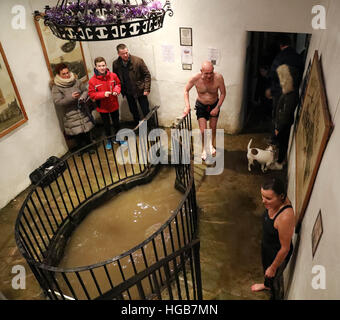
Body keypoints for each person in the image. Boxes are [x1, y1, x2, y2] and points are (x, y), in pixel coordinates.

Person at [251, 177, 295, 300]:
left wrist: (273, 267)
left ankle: (275, 295)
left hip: (277, 254)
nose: (263, 201)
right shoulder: (274, 202)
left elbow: (285, 248)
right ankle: (266, 285)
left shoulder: (285, 217)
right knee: (266, 271)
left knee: (274, 280)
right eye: (262, 196)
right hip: (267, 246)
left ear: (281, 197)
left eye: (268, 198)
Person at [183, 61, 226, 161]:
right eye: (206, 73)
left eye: (211, 72)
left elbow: (223, 93)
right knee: (203, 131)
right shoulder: (195, 78)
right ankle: (204, 149)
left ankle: (211, 145)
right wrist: (187, 106)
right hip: (201, 105)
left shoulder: (218, 78)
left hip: (214, 104)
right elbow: (186, 90)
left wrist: (217, 108)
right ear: (201, 71)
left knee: (213, 127)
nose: (209, 75)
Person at [51, 63, 95, 154]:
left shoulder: (76, 81)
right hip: (70, 113)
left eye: (67, 72)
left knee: (86, 130)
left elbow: (85, 90)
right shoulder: (57, 87)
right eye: (64, 74)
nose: (67, 75)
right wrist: (71, 97)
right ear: (59, 75)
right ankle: (81, 149)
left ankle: (89, 147)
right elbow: (58, 101)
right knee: (77, 133)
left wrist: (82, 97)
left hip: (82, 109)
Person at [112, 44, 151, 127]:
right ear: (118, 54)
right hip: (128, 91)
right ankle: (138, 127)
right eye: (123, 54)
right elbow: (116, 78)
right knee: (133, 111)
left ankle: (150, 127)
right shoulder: (116, 64)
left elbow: (147, 75)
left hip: (140, 90)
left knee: (146, 110)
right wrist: (120, 90)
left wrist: (146, 89)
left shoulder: (138, 61)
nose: (126, 55)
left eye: (126, 52)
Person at [88, 57, 122, 150]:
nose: (102, 68)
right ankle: (109, 140)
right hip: (103, 107)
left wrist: (116, 90)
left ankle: (119, 138)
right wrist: (103, 94)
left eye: (103, 65)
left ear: (106, 65)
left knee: (116, 123)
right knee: (106, 125)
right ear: (96, 67)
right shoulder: (92, 81)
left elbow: (118, 85)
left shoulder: (113, 76)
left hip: (114, 104)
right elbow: (91, 94)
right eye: (99, 66)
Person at [271, 64, 300, 169]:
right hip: (281, 123)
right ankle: (278, 160)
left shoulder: (292, 95)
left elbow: (286, 114)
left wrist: (278, 128)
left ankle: (279, 163)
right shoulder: (288, 91)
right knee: (280, 143)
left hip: (284, 125)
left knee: (282, 144)